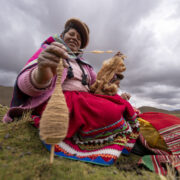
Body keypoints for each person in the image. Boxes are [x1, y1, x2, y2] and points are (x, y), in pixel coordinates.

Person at [3, 18, 139, 165]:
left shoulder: (85, 66)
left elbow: (96, 88)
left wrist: (112, 71)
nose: (75, 38)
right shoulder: (50, 51)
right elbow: (25, 83)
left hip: (84, 99)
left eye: (79, 38)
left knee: (121, 103)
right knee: (110, 111)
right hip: (61, 100)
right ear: (62, 35)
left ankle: (128, 138)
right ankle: (113, 137)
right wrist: (41, 74)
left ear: (81, 46)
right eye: (72, 34)